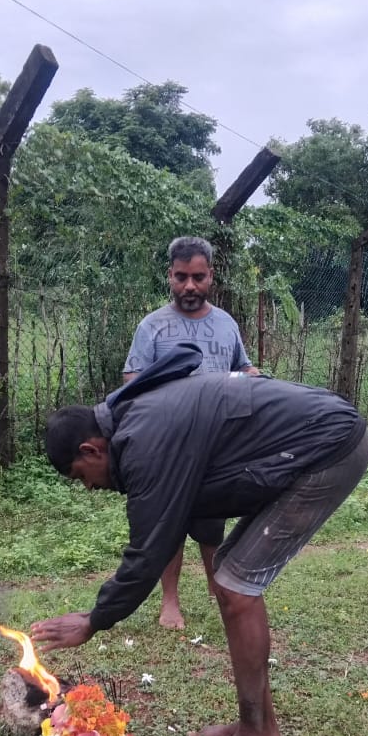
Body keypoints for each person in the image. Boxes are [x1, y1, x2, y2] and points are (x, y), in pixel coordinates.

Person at [29, 343, 368, 736]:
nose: (89, 488)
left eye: (82, 477)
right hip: (321, 436)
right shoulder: (133, 423)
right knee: (231, 571)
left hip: (329, 447)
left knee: (234, 585)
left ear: (92, 449)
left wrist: (96, 618)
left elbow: (148, 548)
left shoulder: (142, 441)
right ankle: (256, 724)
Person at [122, 236, 259, 630]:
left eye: (198, 277)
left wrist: (255, 378)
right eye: (181, 277)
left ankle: (222, 595)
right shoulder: (153, 326)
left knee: (211, 527)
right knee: (172, 525)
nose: (189, 287)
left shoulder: (226, 324)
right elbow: (132, 378)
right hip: (168, 446)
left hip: (217, 446)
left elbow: (243, 367)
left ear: (210, 276)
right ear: (170, 275)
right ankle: (170, 603)